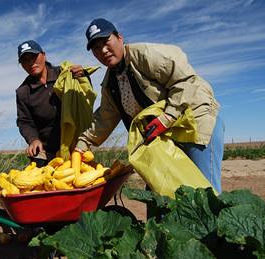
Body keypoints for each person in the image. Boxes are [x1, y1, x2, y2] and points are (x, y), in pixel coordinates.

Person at [74, 18, 224, 194]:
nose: (103, 50)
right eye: (96, 48)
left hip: (195, 121)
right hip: (166, 134)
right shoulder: (110, 83)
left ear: (119, 38)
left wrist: (168, 117)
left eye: (106, 42)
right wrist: (82, 144)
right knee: (162, 192)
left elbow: (184, 79)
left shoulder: (145, 55)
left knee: (206, 191)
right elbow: (104, 117)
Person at [16, 40, 84, 167]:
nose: (30, 62)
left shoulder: (64, 74)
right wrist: (33, 140)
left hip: (74, 143)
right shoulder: (23, 91)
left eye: (34, 57)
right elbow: (24, 121)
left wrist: (83, 76)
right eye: (25, 60)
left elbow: (84, 94)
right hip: (47, 149)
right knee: (38, 176)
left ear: (44, 55)